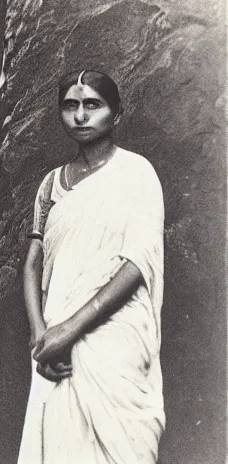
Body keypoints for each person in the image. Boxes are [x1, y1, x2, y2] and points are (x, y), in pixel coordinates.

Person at [17, 70, 165, 464]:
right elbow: (33, 263)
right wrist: (41, 338)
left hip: (114, 340)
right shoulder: (50, 185)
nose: (81, 115)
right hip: (54, 346)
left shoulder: (137, 173)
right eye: (70, 106)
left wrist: (72, 329)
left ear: (115, 112)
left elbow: (138, 262)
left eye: (92, 105)